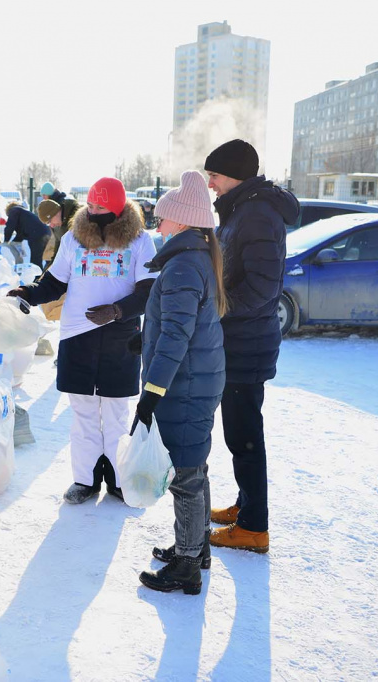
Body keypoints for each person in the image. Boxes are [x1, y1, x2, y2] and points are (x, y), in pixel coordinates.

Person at [8, 177, 156, 504]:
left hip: (121, 337)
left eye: (100, 206)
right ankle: (85, 480)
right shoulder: (74, 239)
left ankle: (118, 480)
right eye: (89, 205)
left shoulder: (140, 241)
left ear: (117, 208)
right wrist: (28, 294)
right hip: (77, 336)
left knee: (116, 415)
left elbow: (149, 293)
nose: (92, 211)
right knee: (84, 415)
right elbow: (54, 282)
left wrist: (117, 311)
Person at [130, 170, 227, 595]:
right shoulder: (196, 257)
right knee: (196, 468)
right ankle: (197, 546)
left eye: (162, 215)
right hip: (195, 380)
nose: (156, 220)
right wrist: (146, 335)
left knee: (185, 476)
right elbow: (177, 325)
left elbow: (176, 335)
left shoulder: (185, 264)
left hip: (183, 386)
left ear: (182, 221)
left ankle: (187, 565)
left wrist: (151, 393)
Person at [204, 139, 299, 554]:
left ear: (236, 176)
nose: (211, 184)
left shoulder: (257, 215)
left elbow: (262, 288)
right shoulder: (242, 208)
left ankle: (254, 528)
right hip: (239, 339)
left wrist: (218, 309)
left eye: (216, 175)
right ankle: (246, 508)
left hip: (247, 342)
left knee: (244, 435)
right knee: (239, 431)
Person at [4, 201, 52, 269]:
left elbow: (9, 226)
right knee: (47, 259)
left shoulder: (14, 210)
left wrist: (5, 241)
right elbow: (20, 234)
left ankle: (37, 278)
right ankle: (48, 276)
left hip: (37, 234)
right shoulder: (24, 214)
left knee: (36, 260)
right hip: (46, 232)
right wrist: (13, 242)